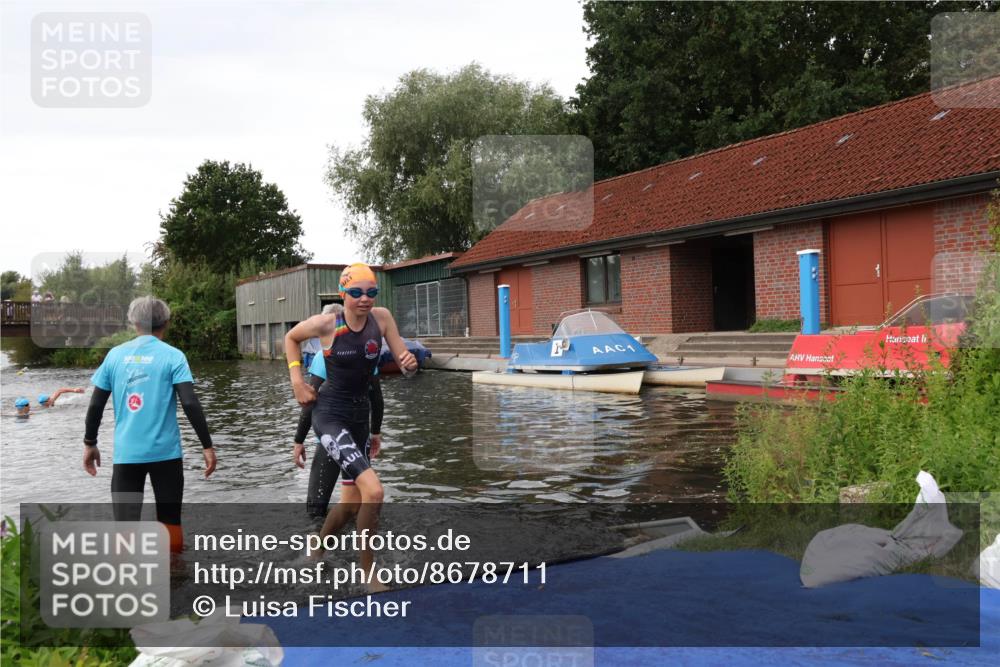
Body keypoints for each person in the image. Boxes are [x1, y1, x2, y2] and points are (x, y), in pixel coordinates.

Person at [284, 263, 416, 589]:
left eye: (371, 292)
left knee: (351, 503)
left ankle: (317, 547)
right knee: (374, 491)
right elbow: (291, 338)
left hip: (359, 418)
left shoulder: (382, 319)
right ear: (343, 293)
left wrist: (407, 362)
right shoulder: (327, 324)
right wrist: (297, 382)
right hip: (329, 415)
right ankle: (368, 572)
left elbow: (401, 356)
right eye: (356, 293)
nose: (365, 299)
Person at [82, 296, 217, 552]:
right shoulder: (174, 356)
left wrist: (90, 443)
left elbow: (96, 405)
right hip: (166, 455)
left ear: (133, 322)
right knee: (170, 524)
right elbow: (189, 403)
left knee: (124, 529)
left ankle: (127, 583)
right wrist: (207, 446)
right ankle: (175, 577)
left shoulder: (115, 356)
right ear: (165, 322)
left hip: (127, 455)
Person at [293, 303, 385, 521]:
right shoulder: (367, 352)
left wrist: (298, 441)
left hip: (331, 439)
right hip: (358, 434)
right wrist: (375, 432)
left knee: (315, 510)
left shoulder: (323, 355)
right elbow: (377, 398)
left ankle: (317, 552)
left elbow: (310, 401)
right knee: (359, 503)